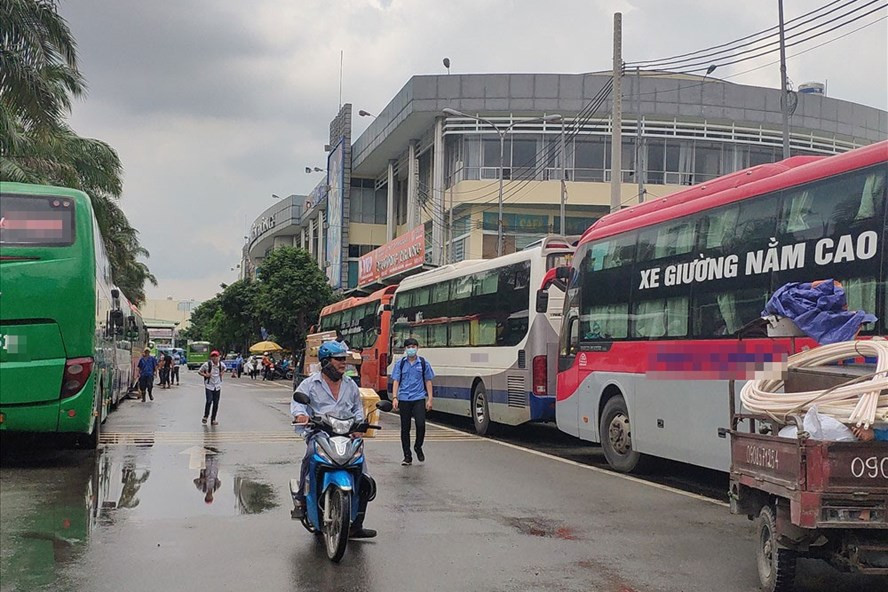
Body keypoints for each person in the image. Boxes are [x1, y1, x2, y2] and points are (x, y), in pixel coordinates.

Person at [290, 341, 376, 539]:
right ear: (326, 362)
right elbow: (297, 403)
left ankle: (357, 523)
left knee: (363, 473)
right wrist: (301, 415)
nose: (343, 363)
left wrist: (359, 426)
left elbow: (357, 408)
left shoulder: (350, 384)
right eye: (338, 359)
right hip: (320, 433)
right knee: (310, 457)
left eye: (344, 359)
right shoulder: (310, 384)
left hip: (347, 434)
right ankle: (302, 499)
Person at [391, 337, 435, 466]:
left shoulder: (423, 363)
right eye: (409, 347)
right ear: (405, 349)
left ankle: (418, 446)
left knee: (421, 424)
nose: (411, 349)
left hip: (418, 398)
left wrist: (430, 399)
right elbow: (396, 381)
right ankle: (407, 456)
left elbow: (428, 381)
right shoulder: (400, 364)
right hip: (404, 398)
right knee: (405, 428)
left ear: (417, 348)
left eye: (413, 347)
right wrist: (395, 397)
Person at [198, 350, 225, 426]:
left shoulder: (221, 364)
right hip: (209, 386)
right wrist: (206, 375)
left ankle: (213, 419)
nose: (215, 358)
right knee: (209, 401)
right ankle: (205, 416)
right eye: (213, 356)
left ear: (219, 357)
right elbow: (199, 371)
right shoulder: (207, 365)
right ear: (211, 358)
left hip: (217, 386)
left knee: (216, 403)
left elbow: (224, 369)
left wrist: (221, 373)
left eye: (216, 356)